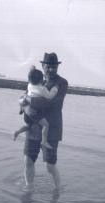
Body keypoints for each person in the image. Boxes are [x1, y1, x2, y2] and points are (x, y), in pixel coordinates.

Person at [19, 53, 68, 192]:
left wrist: (27, 101)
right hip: (33, 128)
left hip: (51, 129)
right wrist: (21, 101)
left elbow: (50, 103)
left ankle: (58, 189)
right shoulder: (36, 79)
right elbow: (24, 95)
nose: (51, 70)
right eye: (48, 66)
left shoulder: (62, 83)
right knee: (28, 160)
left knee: (49, 166)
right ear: (43, 66)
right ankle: (29, 189)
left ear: (57, 67)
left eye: (54, 67)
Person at [13, 66, 58, 149]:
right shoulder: (42, 89)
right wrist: (54, 89)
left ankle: (18, 132)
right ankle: (44, 141)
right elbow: (49, 96)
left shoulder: (29, 85)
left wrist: (32, 70)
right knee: (46, 125)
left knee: (28, 126)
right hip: (33, 111)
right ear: (41, 80)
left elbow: (31, 78)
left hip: (26, 109)